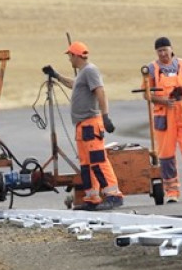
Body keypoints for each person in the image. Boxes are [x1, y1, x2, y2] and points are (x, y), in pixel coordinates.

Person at [42, 42, 124, 211]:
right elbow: (74, 84)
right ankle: (92, 198)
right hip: (82, 126)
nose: (69, 59)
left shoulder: (90, 70)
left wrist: (105, 116)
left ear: (76, 55)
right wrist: (56, 75)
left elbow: (100, 91)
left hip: (91, 124)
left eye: (70, 56)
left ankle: (113, 196)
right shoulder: (83, 73)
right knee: (86, 165)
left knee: (98, 161)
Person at [148, 36, 182, 202]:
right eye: (159, 51)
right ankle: (172, 192)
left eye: (165, 49)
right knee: (166, 156)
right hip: (164, 117)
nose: (163, 53)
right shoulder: (152, 68)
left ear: (171, 49)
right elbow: (146, 94)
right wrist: (163, 100)